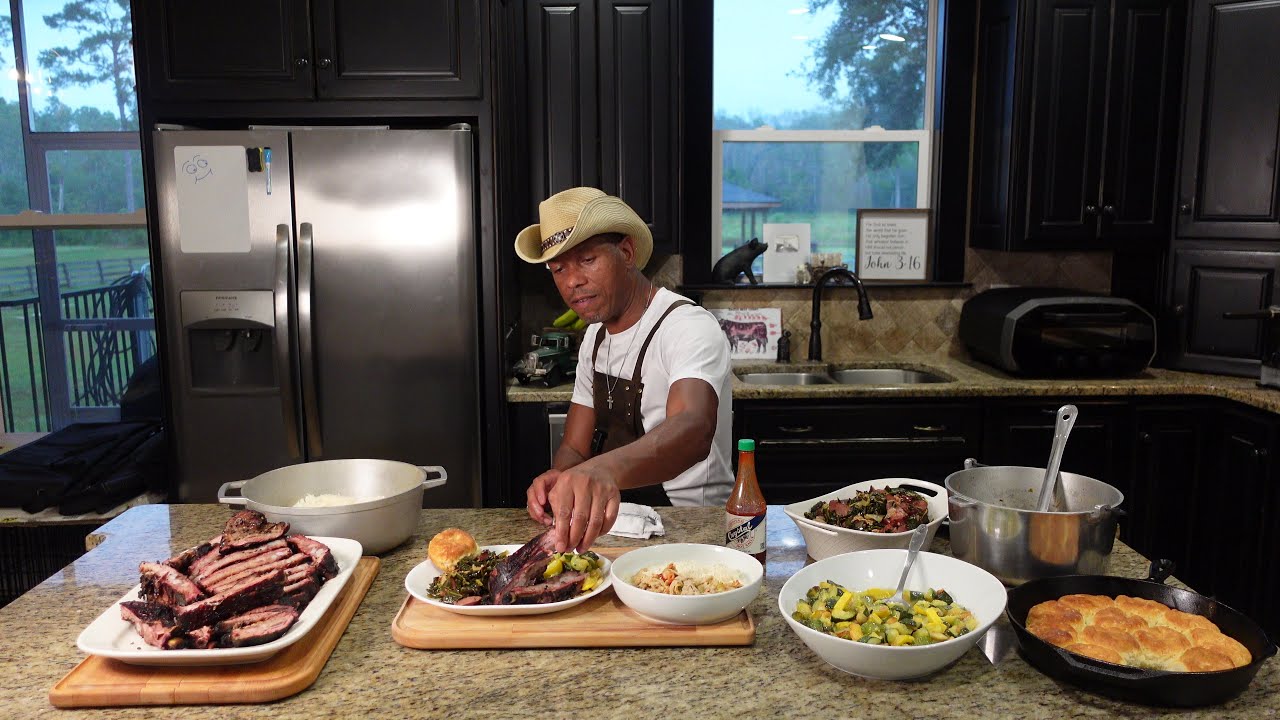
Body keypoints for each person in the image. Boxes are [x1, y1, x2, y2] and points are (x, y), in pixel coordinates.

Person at [514, 187, 734, 552]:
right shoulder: (594, 338)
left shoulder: (687, 326)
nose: (571, 281)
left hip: (692, 529)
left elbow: (694, 429)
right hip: (621, 524)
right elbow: (574, 445)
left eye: (586, 260)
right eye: (558, 268)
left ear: (627, 253)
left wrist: (601, 472)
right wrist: (564, 479)